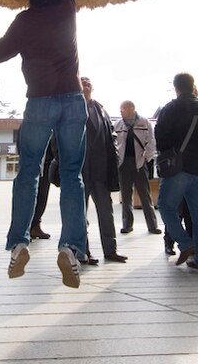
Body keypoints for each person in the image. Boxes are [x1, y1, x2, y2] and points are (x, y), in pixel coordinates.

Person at [0, 0, 88, 288]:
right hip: (74, 101)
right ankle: (72, 247)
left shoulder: (24, 21)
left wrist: (17, 38)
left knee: (29, 172)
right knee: (73, 174)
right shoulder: (67, 10)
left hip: (40, 104)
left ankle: (19, 241)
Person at [155, 72, 198, 271]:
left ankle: (185, 243)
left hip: (179, 168)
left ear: (176, 88)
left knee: (166, 206)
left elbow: (161, 137)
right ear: (193, 86)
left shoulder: (170, 109)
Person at [81, 77, 126, 263]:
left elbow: (111, 137)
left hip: (101, 170)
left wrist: (113, 157)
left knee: (106, 212)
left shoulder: (101, 109)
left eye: (88, 82)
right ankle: (82, 251)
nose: (85, 84)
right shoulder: (69, 107)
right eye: (81, 81)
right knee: (79, 215)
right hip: (79, 171)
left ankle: (110, 250)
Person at [114, 100, 161, 235]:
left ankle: (152, 225)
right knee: (125, 195)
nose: (121, 111)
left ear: (131, 109)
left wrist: (146, 158)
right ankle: (127, 224)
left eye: (123, 109)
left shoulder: (144, 122)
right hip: (123, 163)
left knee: (145, 195)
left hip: (140, 163)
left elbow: (151, 141)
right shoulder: (118, 124)